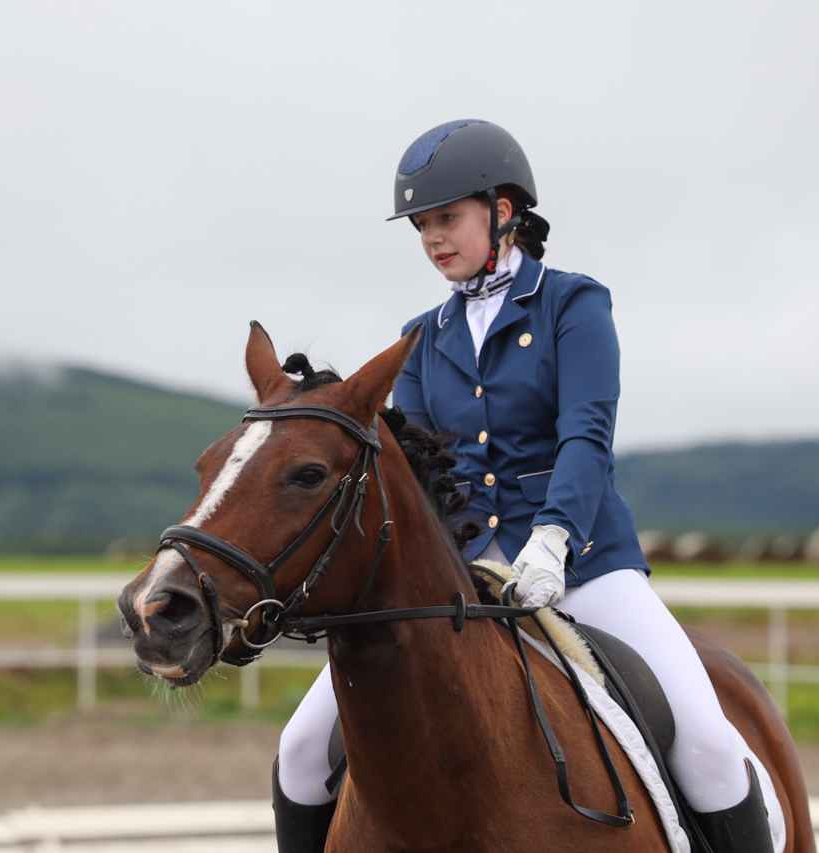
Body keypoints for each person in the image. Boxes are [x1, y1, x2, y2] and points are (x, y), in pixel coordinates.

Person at [272, 120, 774, 853]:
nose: (433, 239)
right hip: (464, 576)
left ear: (503, 210)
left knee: (709, 747)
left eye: (447, 217)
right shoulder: (422, 336)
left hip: (583, 563)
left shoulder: (573, 305)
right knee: (300, 749)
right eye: (421, 226)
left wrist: (552, 538)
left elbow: (586, 434)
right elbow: (418, 470)